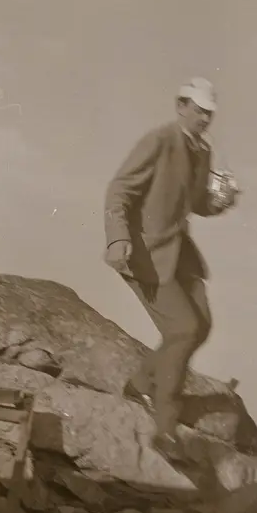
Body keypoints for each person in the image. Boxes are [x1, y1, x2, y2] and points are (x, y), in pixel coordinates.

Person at [103, 77, 239, 455]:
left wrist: (220, 202)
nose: (205, 119)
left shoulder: (202, 151)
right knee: (183, 329)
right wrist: (117, 238)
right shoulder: (159, 140)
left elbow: (194, 202)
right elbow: (119, 190)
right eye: (199, 110)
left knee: (202, 325)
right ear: (181, 106)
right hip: (143, 253)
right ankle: (165, 426)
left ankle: (141, 383)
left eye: (209, 113)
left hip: (177, 252)